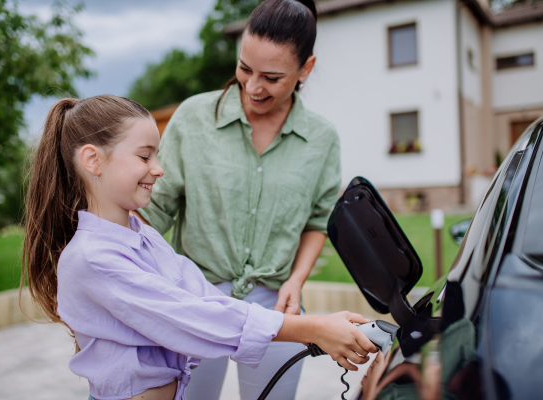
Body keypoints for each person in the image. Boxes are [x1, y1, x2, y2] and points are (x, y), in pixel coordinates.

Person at [21, 95, 376, 400]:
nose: (158, 170)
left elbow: (202, 298)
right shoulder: (92, 258)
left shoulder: (140, 233)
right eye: (145, 157)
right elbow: (188, 318)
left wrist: (316, 325)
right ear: (92, 160)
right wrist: (310, 329)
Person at [134, 0, 340, 398]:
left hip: (276, 306)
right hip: (194, 298)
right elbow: (153, 210)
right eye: (245, 68)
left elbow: (319, 220)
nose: (253, 86)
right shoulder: (193, 118)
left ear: (305, 70)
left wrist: (296, 281)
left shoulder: (322, 139)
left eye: (272, 77)